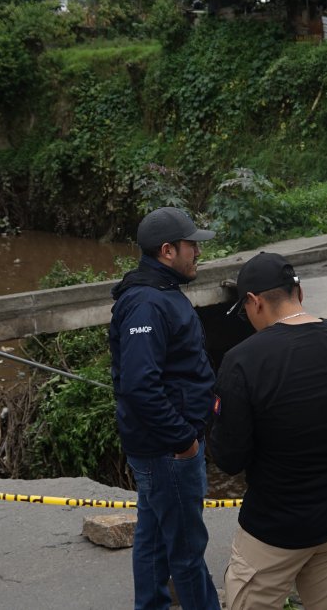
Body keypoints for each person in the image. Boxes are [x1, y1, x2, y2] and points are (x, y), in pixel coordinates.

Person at [210, 252, 327, 610]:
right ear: (298, 293)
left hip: (273, 530)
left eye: (245, 311)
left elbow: (229, 458)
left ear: (254, 302)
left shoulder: (243, 361)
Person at [109, 206, 220, 610]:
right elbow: (140, 385)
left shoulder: (159, 294)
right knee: (188, 549)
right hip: (167, 450)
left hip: (159, 446)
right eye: (192, 245)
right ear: (168, 250)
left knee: (153, 536)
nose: (198, 253)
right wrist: (184, 440)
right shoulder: (147, 304)